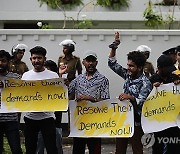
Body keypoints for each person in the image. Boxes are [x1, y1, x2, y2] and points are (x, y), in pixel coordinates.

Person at [108, 32, 152, 154]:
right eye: (128, 65)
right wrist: (114, 46)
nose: (128, 68)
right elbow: (112, 64)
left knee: (137, 149)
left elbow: (142, 103)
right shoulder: (127, 74)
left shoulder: (145, 82)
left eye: (131, 66)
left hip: (137, 122)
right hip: (123, 118)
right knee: (119, 150)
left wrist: (130, 97)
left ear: (140, 68)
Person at [68, 50, 110, 154]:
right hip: (79, 122)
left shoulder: (103, 80)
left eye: (93, 61)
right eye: (88, 60)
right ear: (83, 63)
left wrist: (91, 99)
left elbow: (106, 101)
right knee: (78, 150)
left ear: (96, 62)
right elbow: (66, 91)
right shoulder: (78, 79)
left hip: (95, 123)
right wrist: (62, 75)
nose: (90, 63)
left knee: (94, 150)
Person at [21, 46, 58, 154]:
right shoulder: (26, 76)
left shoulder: (53, 75)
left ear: (44, 59)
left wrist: (64, 86)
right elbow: (22, 94)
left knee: (51, 148)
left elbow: (58, 94)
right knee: (30, 148)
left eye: (39, 58)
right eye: (34, 58)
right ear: (30, 59)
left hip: (47, 118)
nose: (36, 60)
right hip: (29, 118)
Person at [149, 54, 180, 154]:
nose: (170, 71)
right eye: (167, 69)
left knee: (174, 147)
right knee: (158, 147)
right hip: (159, 122)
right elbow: (146, 100)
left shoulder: (174, 77)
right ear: (159, 68)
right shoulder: (152, 79)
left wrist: (178, 83)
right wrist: (153, 88)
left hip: (173, 122)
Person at [36, 60, 63, 154]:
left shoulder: (56, 83)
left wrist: (61, 76)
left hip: (55, 124)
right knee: (39, 148)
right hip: (40, 122)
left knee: (55, 148)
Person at [0, 50, 22, 154]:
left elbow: (24, 94)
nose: (0, 63)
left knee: (16, 149)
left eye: (3, 61)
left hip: (11, 119)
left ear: (8, 62)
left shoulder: (16, 78)